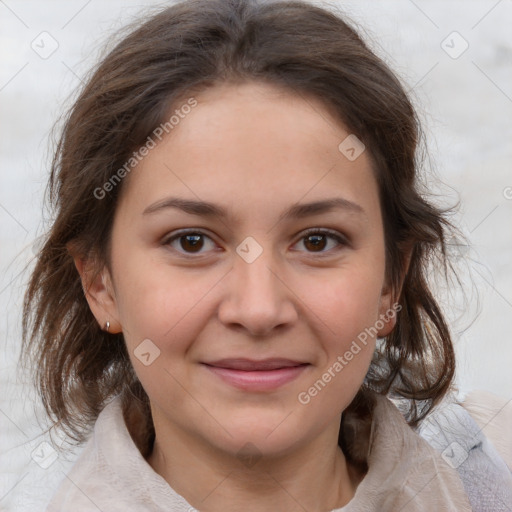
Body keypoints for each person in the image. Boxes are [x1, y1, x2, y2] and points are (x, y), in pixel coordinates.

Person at [20, 0, 512, 510]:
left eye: (317, 240)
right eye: (191, 241)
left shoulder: (494, 471)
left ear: (391, 280)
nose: (258, 310)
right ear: (100, 283)